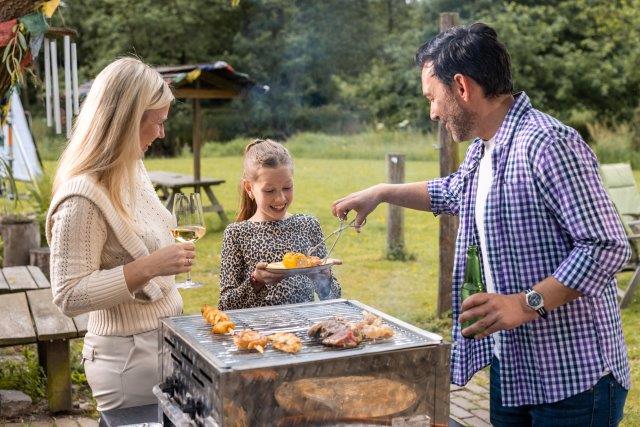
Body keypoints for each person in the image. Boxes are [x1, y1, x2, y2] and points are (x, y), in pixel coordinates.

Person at [331, 23, 630, 426]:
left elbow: (606, 246)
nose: (433, 111)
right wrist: (384, 192)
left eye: (432, 98)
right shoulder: (485, 148)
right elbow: (455, 191)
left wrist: (525, 304)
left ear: (461, 87)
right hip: (514, 367)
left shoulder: (548, 144)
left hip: (573, 378)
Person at [46, 57, 195, 410]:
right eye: (157, 123)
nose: (162, 133)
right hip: (128, 363)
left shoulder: (131, 169)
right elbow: (68, 295)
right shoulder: (82, 196)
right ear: (127, 122)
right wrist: (150, 266)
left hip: (163, 345)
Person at [219, 139, 341, 310]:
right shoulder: (237, 233)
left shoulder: (308, 225)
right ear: (249, 188)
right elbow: (225, 305)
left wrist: (324, 277)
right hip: (256, 331)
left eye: (287, 187)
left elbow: (333, 299)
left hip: (303, 328)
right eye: (269, 191)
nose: (280, 198)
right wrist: (256, 281)